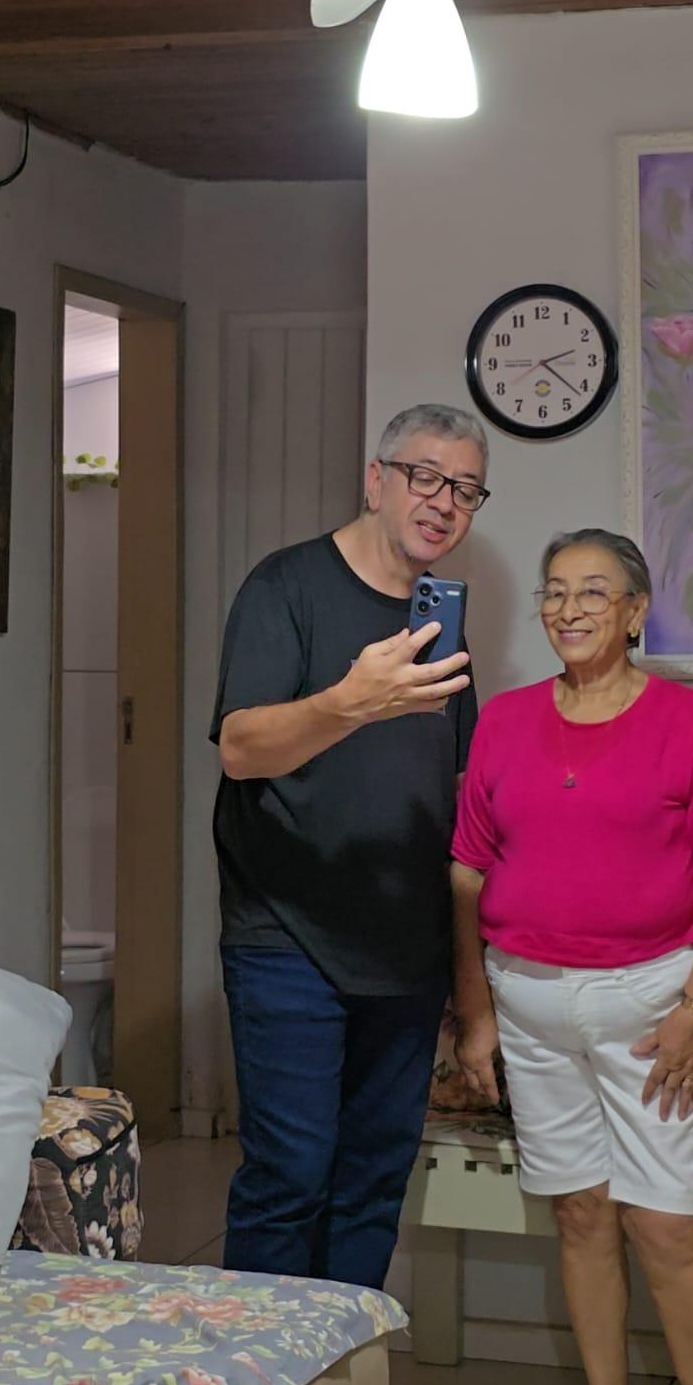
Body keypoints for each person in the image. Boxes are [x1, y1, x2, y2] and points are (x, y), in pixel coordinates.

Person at [451, 528, 693, 1385]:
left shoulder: (688, 719)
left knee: (666, 1225)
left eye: (593, 591)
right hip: (527, 1004)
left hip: (649, 1011)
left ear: (634, 611)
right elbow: (466, 869)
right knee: (581, 1214)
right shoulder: (504, 719)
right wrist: (475, 1014)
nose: (568, 608)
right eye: (554, 591)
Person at [210, 404, 489, 1319]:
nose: (443, 502)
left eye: (466, 489)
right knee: (289, 1174)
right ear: (376, 480)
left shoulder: (441, 625)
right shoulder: (284, 585)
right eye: (425, 477)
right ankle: (261, 1384)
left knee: (373, 1181)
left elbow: (458, 789)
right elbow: (241, 748)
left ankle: (342, 1383)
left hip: (406, 948)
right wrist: (351, 701)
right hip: (287, 934)